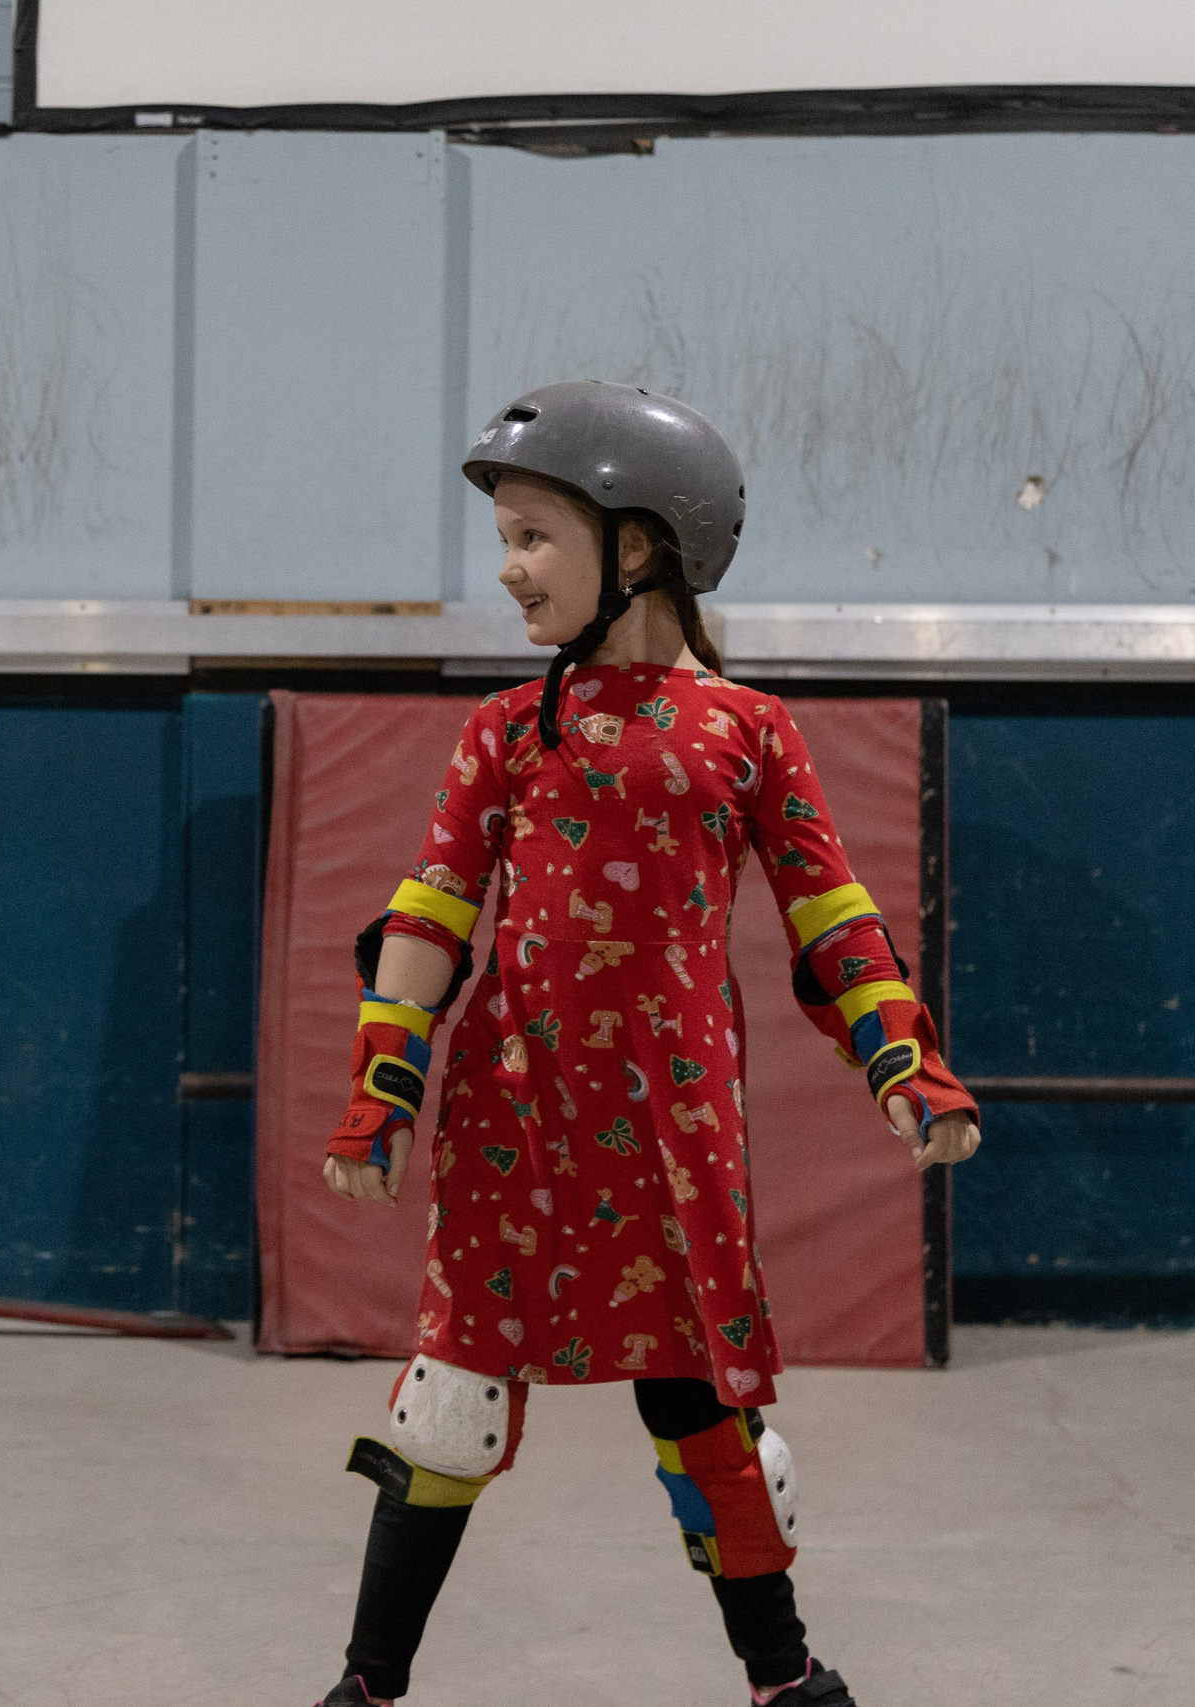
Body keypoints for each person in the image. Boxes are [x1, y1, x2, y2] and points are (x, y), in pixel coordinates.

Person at [312, 382, 982, 1707]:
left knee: (707, 1418)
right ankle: (365, 1689)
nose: (507, 569)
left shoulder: (750, 731)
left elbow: (831, 910)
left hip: (676, 1132)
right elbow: (431, 912)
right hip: (512, 1121)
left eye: (530, 537)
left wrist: (903, 1057)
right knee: (448, 1402)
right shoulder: (504, 730)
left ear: (637, 547)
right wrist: (381, 1080)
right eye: (502, 538)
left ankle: (786, 1683)